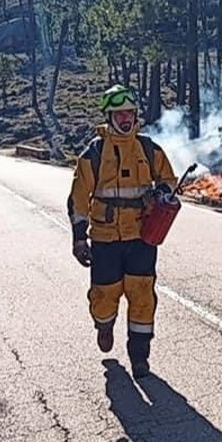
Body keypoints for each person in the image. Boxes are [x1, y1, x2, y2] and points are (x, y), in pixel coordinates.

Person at [68, 84, 178, 378]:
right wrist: (79, 238)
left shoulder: (148, 148)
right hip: (105, 239)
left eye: (130, 112)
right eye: (120, 113)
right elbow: (79, 198)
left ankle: (140, 357)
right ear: (109, 116)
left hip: (141, 237)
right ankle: (104, 325)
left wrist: (160, 195)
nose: (126, 118)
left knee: (143, 296)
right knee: (105, 296)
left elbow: (168, 179)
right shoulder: (93, 153)